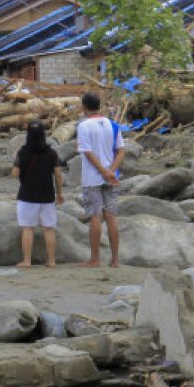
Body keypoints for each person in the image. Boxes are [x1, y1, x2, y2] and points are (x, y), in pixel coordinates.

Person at [77, 92, 125, 268]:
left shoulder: (84, 126)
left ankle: (95, 259)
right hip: (112, 178)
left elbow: (88, 153)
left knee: (95, 216)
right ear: (99, 106)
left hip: (92, 178)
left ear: (84, 107)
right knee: (111, 216)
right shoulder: (112, 124)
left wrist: (103, 171)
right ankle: (114, 260)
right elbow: (121, 150)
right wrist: (111, 171)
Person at [12, 120, 65, 268]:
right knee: (49, 228)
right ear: (43, 134)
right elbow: (58, 176)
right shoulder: (52, 153)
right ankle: (52, 260)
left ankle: (27, 261)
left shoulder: (22, 152)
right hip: (47, 196)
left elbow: (15, 174)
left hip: (27, 196)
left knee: (28, 228)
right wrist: (60, 193)